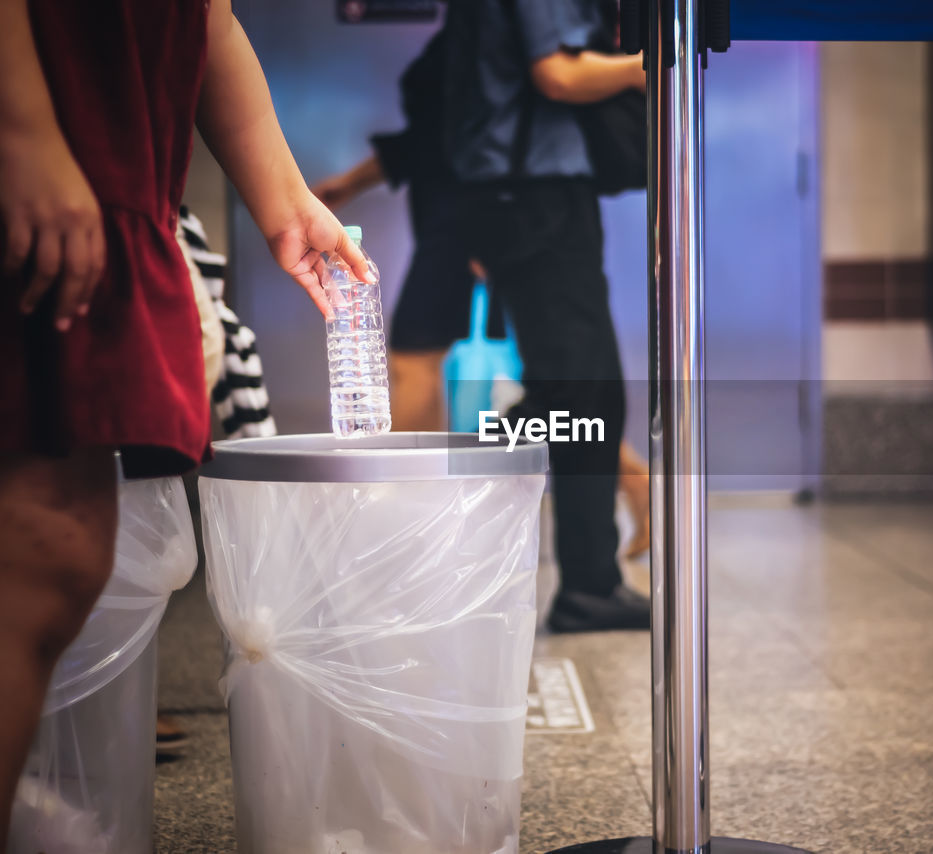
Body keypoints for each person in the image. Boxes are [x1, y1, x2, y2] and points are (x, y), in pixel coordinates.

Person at [0, 0, 369, 837]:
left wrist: (285, 200)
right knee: (36, 549)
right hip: (55, 160)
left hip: (114, 174)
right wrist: (20, 132)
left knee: (62, 550)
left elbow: (207, 18)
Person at [316, 0, 655, 625]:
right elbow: (557, 75)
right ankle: (455, 480)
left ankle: (589, 580)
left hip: (519, 197)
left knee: (587, 394)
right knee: (580, 395)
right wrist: (645, 63)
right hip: (534, 197)